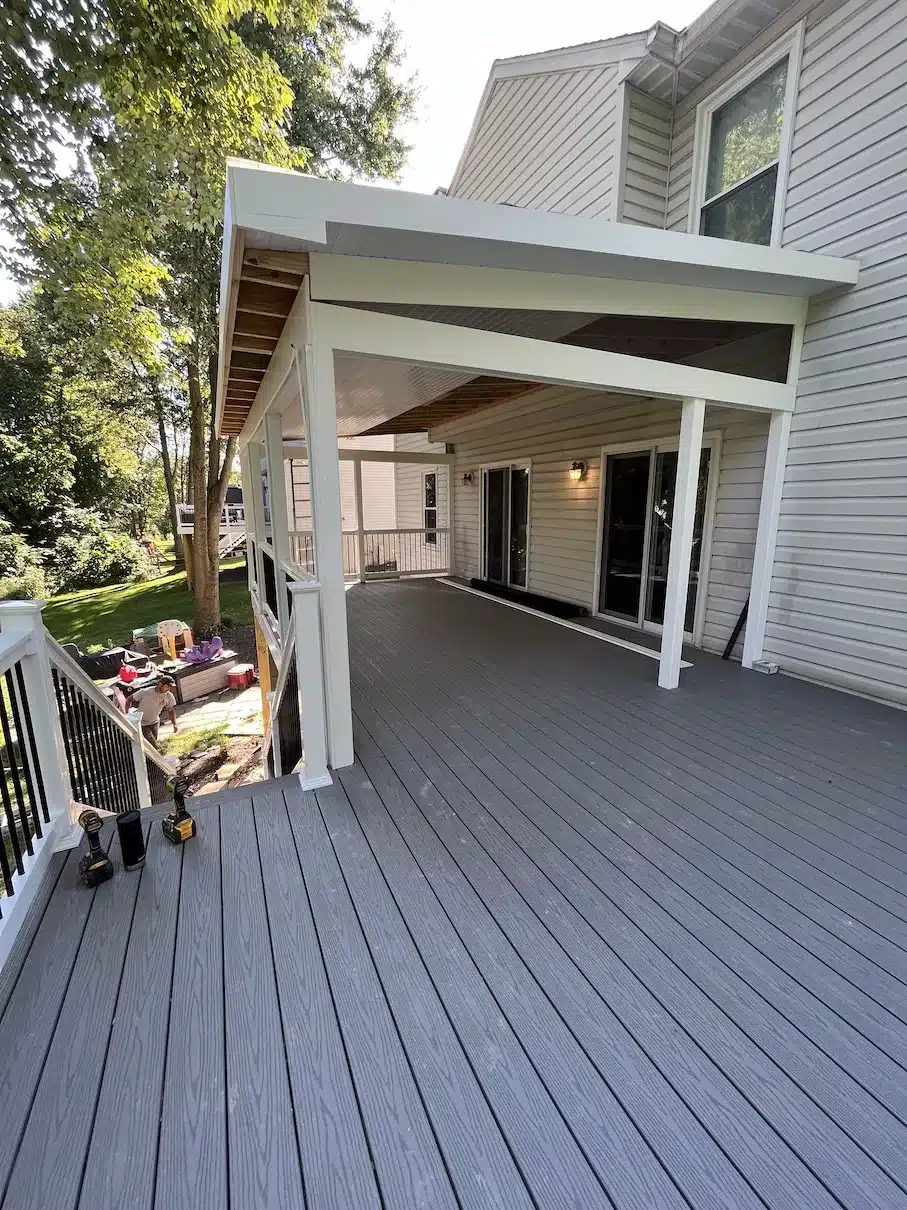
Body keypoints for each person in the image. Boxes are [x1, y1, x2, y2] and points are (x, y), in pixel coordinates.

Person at [130, 677, 178, 748]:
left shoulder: (169, 696)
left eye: (170, 687)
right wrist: (126, 713)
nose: (168, 689)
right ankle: (161, 753)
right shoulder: (145, 692)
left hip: (155, 722)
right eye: (167, 687)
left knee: (153, 744)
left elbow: (171, 710)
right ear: (160, 684)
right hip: (142, 723)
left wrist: (174, 724)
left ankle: (151, 754)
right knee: (154, 745)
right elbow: (129, 699)